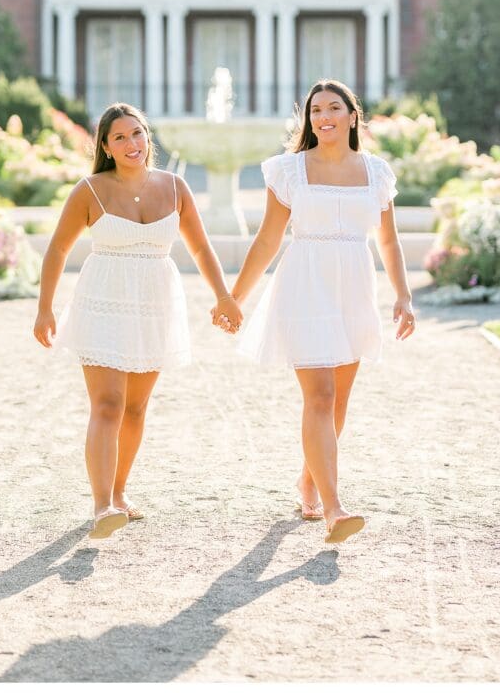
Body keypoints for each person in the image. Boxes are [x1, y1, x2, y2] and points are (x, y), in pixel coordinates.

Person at [212, 79, 415, 544]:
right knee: (320, 396)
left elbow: (388, 241)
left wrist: (403, 295)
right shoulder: (290, 171)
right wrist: (234, 297)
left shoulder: (377, 172)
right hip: (305, 285)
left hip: (354, 288)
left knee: (338, 402)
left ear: (352, 116)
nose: (323, 116)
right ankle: (334, 508)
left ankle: (308, 481)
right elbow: (268, 239)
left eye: (333, 108)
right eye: (315, 110)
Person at [34, 102, 242, 539]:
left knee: (135, 408)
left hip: (153, 305)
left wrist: (223, 297)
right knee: (107, 404)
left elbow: (201, 248)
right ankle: (102, 505)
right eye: (120, 138)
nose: (131, 144)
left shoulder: (175, 187)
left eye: (137, 133)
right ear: (106, 147)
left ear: (148, 137)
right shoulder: (90, 190)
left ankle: (119, 493)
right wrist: (45, 308)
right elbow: (57, 249)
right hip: (103, 302)